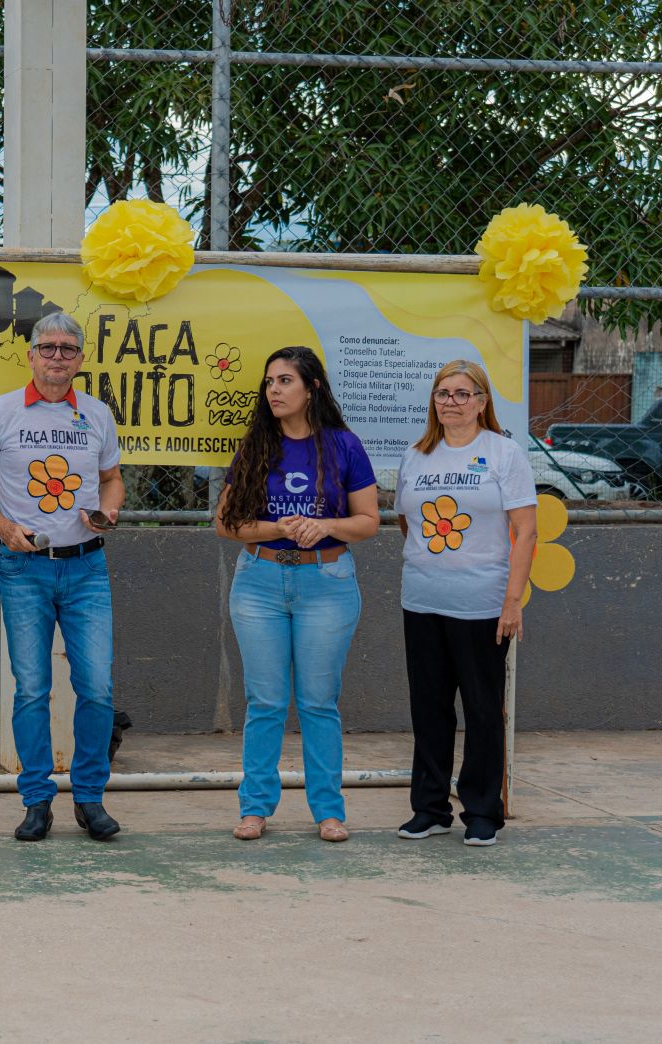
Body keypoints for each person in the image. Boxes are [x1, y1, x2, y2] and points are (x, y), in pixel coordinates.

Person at [0, 312, 124, 842]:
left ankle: (90, 799)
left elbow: (112, 478)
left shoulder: (97, 413)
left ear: (80, 359)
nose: (57, 356)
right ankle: (36, 800)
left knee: (96, 688)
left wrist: (110, 512)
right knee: (31, 689)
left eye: (67, 349)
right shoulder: (1, 411)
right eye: (48, 347)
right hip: (23, 568)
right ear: (30, 354)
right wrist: (2, 526)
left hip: (87, 568)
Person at [214, 346, 379, 843]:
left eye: (285, 381)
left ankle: (328, 811)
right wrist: (275, 527)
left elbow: (368, 522)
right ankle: (255, 809)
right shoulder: (255, 446)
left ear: (313, 389)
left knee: (318, 702)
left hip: (326, 583)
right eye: (269, 383)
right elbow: (226, 524)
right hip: (259, 584)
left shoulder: (344, 445)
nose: (274, 391)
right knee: (264, 701)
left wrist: (323, 525)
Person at [395, 359, 536, 848]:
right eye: (442, 393)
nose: (450, 401)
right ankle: (430, 808)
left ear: (481, 401)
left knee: (480, 709)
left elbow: (525, 530)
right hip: (423, 602)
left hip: (482, 607)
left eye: (461, 393)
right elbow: (406, 523)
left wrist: (512, 600)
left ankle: (481, 811)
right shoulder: (416, 455)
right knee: (429, 709)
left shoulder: (503, 453)